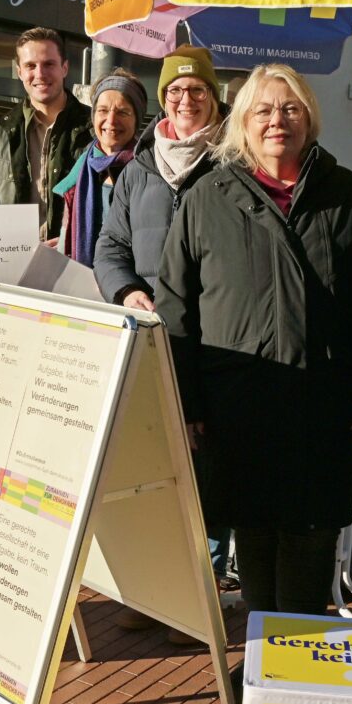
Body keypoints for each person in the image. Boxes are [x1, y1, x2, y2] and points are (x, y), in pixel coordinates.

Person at [156, 63, 352, 619]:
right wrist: (185, 402)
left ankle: (298, 673)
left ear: (309, 119)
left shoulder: (347, 194)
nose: (277, 120)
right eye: (263, 109)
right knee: (254, 542)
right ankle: (264, 666)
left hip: (322, 408)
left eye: (290, 108)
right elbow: (176, 309)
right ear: (243, 123)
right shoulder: (207, 198)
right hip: (239, 407)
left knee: (310, 546)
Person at [93, 44, 234, 629]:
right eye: (175, 91)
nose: (185, 100)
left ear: (213, 99)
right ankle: (160, 595)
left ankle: (205, 597)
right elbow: (109, 247)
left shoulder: (234, 163)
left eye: (196, 90)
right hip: (153, 343)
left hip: (219, 341)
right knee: (156, 466)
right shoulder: (140, 168)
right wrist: (127, 291)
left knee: (210, 469)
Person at [0, 27, 91, 266]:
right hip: (15, 266)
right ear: (19, 71)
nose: (40, 73)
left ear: (64, 68)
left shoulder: (92, 129)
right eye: (31, 66)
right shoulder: (2, 131)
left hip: (72, 265)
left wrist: (69, 240)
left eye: (49, 64)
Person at [56, 69, 147, 265]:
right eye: (103, 110)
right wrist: (61, 245)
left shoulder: (148, 171)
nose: (111, 120)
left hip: (127, 287)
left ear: (137, 119)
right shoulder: (83, 165)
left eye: (123, 112)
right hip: (78, 281)